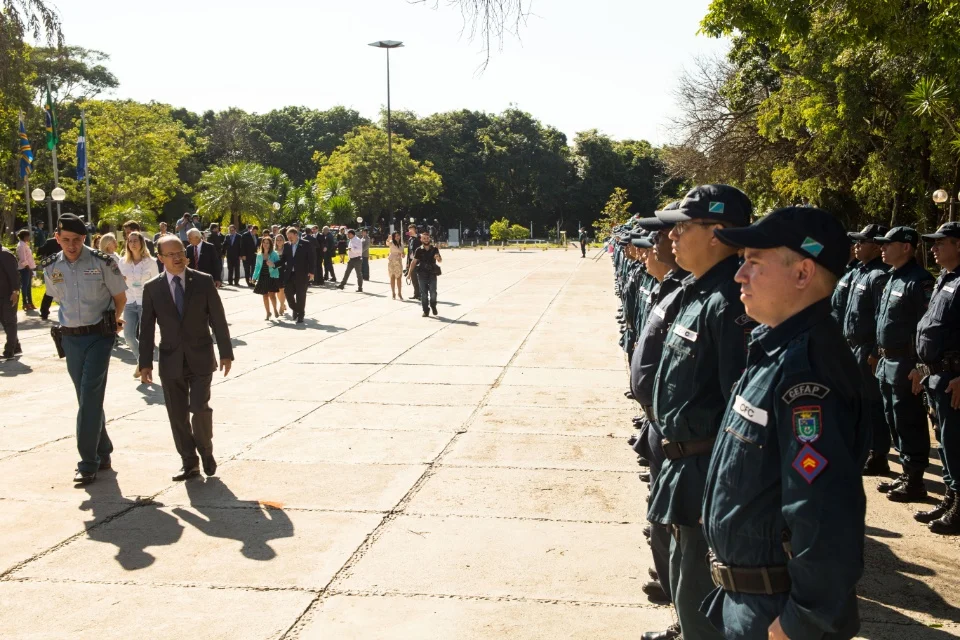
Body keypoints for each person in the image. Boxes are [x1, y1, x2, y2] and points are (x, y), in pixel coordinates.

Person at [700, 206, 869, 640]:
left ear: (802, 273)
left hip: (776, 613)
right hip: (749, 601)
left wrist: (803, 622)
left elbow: (824, 511)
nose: (739, 276)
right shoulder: (777, 350)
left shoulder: (807, 374)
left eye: (754, 262)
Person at [642, 184, 757, 640]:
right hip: (683, 465)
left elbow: (741, 408)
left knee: (701, 598)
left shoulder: (731, 301)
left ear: (719, 232)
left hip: (708, 469)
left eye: (684, 226)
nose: (672, 235)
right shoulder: (698, 292)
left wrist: (730, 489)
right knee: (685, 582)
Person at [628, 208, 689, 610]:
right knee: (666, 522)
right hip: (665, 428)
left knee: (684, 533)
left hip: (687, 441)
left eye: (674, 231)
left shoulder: (708, 299)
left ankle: (680, 599)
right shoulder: (684, 291)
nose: (652, 247)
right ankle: (673, 584)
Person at [40, 213, 127, 485]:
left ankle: (87, 462)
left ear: (84, 239)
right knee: (85, 397)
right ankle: (103, 450)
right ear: (57, 238)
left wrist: (115, 319)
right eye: (65, 240)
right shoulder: (52, 266)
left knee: (89, 394)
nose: (72, 245)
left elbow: (120, 296)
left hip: (99, 336)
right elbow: (58, 298)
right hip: (70, 339)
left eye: (77, 240)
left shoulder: (103, 262)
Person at [139, 236, 233, 481]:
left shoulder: (203, 281)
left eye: (180, 252)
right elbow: (147, 328)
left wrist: (225, 352)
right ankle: (189, 462)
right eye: (170, 255)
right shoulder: (152, 288)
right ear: (160, 259)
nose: (177, 258)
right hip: (170, 360)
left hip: (201, 356)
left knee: (200, 408)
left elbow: (218, 319)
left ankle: (206, 451)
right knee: (177, 414)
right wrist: (145, 363)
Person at [871, 227, 935, 503]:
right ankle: (906, 473)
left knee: (909, 420)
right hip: (888, 361)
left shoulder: (919, 281)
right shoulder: (892, 278)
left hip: (907, 362)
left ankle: (915, 481)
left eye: (889, 244)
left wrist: (921, 366)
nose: (882, 249)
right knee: (892, 419)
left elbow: (927, 327)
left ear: (907, 247)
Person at [915, 222, 960, 534]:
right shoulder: (945, 279)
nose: (933, 248)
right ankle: (951, 496)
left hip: (954, 377)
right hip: (936, 375)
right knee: (944, 442)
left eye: (940, 243)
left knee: (956, 443)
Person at [841, 223, 891, 475]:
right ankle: (864, 447)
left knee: (872, 404)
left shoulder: (880, 276)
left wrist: (874, 351)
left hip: (867, 349)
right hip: (852, 347)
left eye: (863, 241)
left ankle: (879, 453)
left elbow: (882, 318)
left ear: (877, 245)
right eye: (856, 241)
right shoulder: (860, 272)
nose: (857, 246)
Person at [117, 231, 159, 378]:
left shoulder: (151, 262)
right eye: (130, 241)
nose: (133, 243)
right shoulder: (122, 262)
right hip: (129, 302)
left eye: (135, 240)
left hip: (145, 303)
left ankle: (144, 370)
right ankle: (141, 362)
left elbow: (157, 283)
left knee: (145, 337)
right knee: (128, 335)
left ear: (142, 243)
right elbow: (117, 283)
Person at [278, 227, 315, 324]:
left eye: (290, 236)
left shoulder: (305, 243)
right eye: (287, 237)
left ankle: (300, 315)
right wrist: (274, 264)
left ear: (296, 235)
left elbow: (311, 258)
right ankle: (297, 309)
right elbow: (284, 259)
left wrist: (311, 272)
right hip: (289, 274)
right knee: (288, 293)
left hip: (302, 274)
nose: (289, 238)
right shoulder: (287, 245)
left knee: (300, 295)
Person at [408, 232, 442, 317]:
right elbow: (414, 262)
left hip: (432, 274)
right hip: (422, 274)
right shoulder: (419, 250)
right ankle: (425, 310)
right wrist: (409, 273)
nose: (426, 240)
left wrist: (438, 258)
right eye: (424, 238)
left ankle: (433, 305)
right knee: (424, 294)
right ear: (421, 239)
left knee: (433, 292)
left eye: (427, 238)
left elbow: (440, 260)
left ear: (429, 239)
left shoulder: (434, 249)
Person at [252, 235, 281, 320]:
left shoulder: (274, 254)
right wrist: (254, 277)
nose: (265, 244)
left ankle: (275, 309)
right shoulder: (259, 255)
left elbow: (278, 265)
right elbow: (257, 267)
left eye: (267, 243)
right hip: (263, 277)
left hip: (272, 276)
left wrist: (272, 264)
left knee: (272, 295)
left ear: (270, 244)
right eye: (264, 243)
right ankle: (268, 312)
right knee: (265, 295)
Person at [0, 245, 19, 358]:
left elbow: (14, 275)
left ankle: (9, 350)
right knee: (4, 321)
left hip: (9, 295)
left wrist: (15, 292)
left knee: (9, 321)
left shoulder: (5, 254)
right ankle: (16, 346)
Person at [36, 234, 61, 320]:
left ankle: (44, 312)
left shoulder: (50, 241)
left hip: (53, 269)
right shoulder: (69, 240)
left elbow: (40, 252)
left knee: (50, 289)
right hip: (64, 268)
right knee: (63, 289)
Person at [16, 229, 36, 311]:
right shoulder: (21, 245)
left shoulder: (25, 244)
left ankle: (30, 302)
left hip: (28, 268)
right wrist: (29, 269)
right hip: (24, 269)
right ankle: (24, 303)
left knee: (28, 287)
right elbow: (23, 260)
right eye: (28, 235)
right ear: (24, 236)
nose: (29, 237)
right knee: (24, 286)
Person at [406, 224, 422, 301]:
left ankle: (421, 295)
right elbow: (408, 251)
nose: (410, 231)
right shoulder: (410, 239)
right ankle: (416, 294)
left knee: (419, 279)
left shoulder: (420, 237)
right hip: (411, 261)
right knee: (413, 278)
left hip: (419, 261)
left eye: (411, 229)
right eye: (409, 230)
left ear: (415, 229)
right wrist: (407, 263)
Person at [387, 231, 405, 300]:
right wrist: (388, 239)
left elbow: (403, 253)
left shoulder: (401, 244)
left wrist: (403, 254)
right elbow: (387, 243)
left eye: (398, 235)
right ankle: (393, 293)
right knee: (392, 277)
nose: (397, 237)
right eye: (396, 236)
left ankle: (399, 293)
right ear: (394, 237)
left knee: (399, 278)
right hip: (392, 261)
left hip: (398, 262)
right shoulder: (391, 242)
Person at [274, 233, 287, 316]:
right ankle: (283, 303)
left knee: (282, 290)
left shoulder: (286, 249)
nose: (279, 241)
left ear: (283, 241)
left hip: (284, 272)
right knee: (277, 291)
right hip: (275, 272)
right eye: (277, 240)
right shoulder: (273, 250)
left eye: (280, 240)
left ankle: (281, 306)